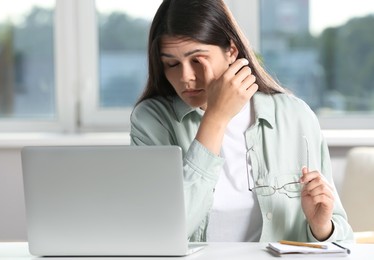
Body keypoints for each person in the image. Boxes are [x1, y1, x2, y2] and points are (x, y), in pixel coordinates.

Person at [130, 0, 353, 243]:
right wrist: (215, 118)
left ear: (232, 50)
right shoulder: (151, 121)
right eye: (171, 64)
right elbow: (159, 235)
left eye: (197, 60)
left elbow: (342, 239)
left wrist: (321, 227)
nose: (185, 77)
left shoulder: (296, 117)